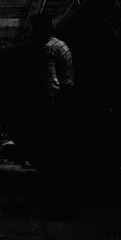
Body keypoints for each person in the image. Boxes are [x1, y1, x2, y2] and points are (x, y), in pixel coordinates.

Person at [29, 14, 76, 211]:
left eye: (35, 29)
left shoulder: (48, 48)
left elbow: (51, 82)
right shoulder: (62, 44)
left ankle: (54, 201)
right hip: (68, 96)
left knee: (51, 152)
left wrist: (46, 104)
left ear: (42, 30)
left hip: (55, 102)